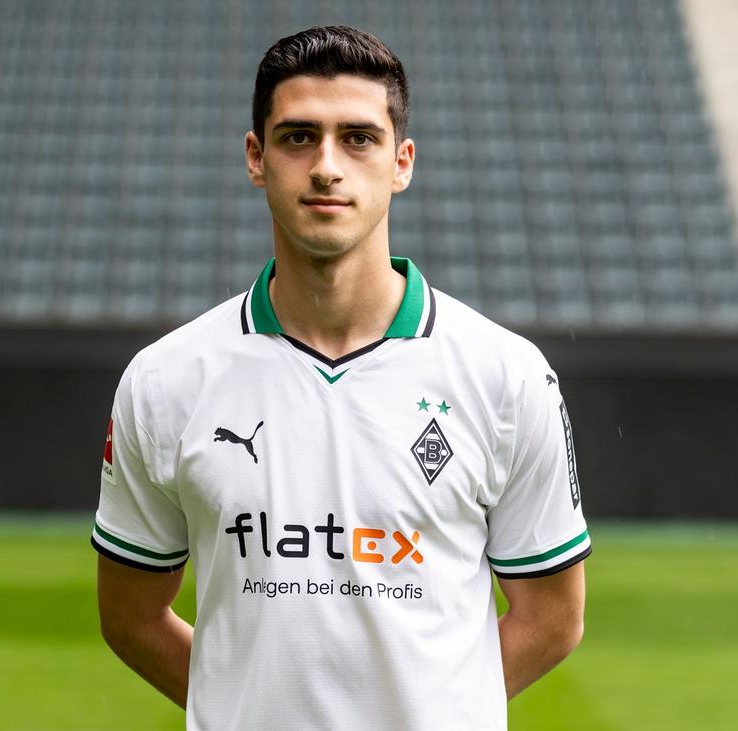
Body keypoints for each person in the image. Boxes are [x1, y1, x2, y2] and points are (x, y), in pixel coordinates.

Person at [93, 25, 589, 730]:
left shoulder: (505, 376)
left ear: (401, 162)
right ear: (256, 158)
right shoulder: (166, 380)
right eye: (298, 137)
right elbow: (131, 617)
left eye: (358, 138)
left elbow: (553, 617)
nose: (327, 166)